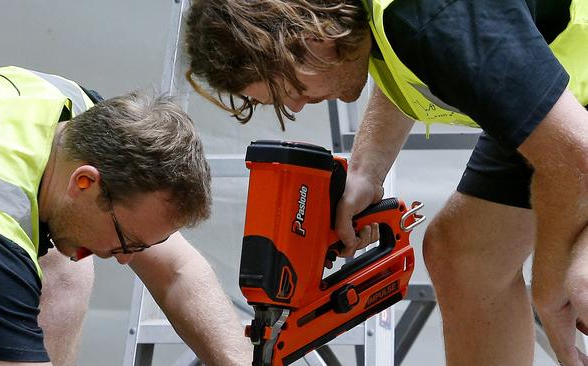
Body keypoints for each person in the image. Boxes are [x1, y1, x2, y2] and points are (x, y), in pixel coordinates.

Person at [184, 1, 588, 365]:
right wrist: (365, 172)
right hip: (565, 105)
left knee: (581, 283)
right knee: (465, 258)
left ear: (311, 39)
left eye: (291, 89)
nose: (294, 105)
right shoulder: (383, 23)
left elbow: (575, 158)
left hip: (574, 133)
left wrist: (549, 288)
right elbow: (416, 63)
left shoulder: (432, 15)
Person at [0, 66, 251, 366]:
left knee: (68, 257)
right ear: (84, 182)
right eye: (126, 241)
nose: (125, 259)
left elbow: (177, 270)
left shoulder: (81, 116)